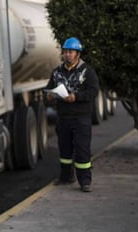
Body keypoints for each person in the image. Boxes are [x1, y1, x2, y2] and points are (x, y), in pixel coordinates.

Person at [45, 37, 99, 192]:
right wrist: (48, 96)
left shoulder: (87, 72)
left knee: (82, 151)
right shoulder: (57, 72)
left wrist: (76, 97)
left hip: (81, 118)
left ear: (78, 54)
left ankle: (85, 182)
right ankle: (66, 177)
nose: (67, 55)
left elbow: (93, 91)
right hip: (63, 118)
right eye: (65, 52)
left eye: (71, 52)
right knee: (64, 151)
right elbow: (48, 88)